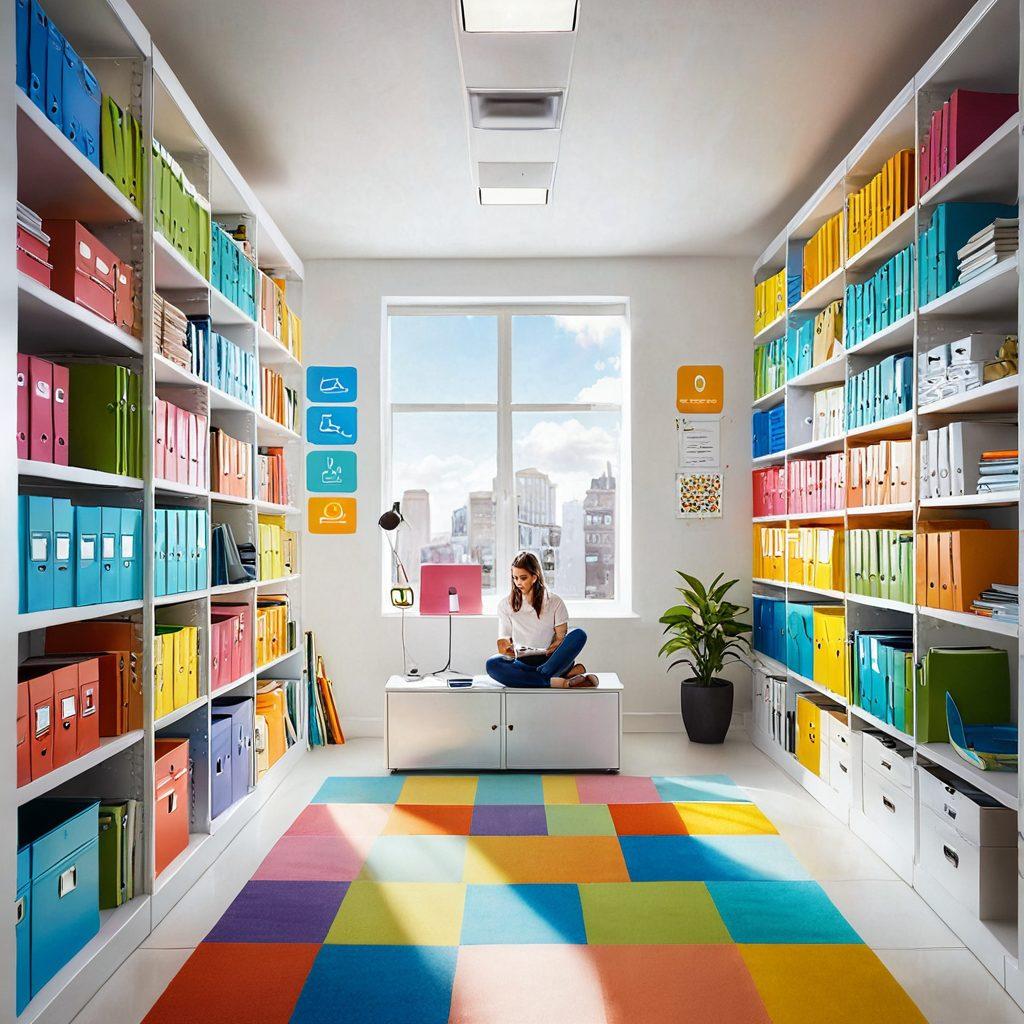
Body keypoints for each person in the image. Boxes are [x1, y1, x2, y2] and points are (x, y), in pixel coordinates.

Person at [485, 551, 597, 688]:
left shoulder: (554, 602)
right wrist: (508, 648)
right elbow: (505, 641)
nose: (518, 583)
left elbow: (561, 638)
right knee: (492, 664)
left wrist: (555, 645)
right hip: (522, 662)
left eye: (523, 578)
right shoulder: (505, 605)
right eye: (515, 578)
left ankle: (544, 678)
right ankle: (559, 680)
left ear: (534, 577)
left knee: (579, 634)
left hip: (550, 661)